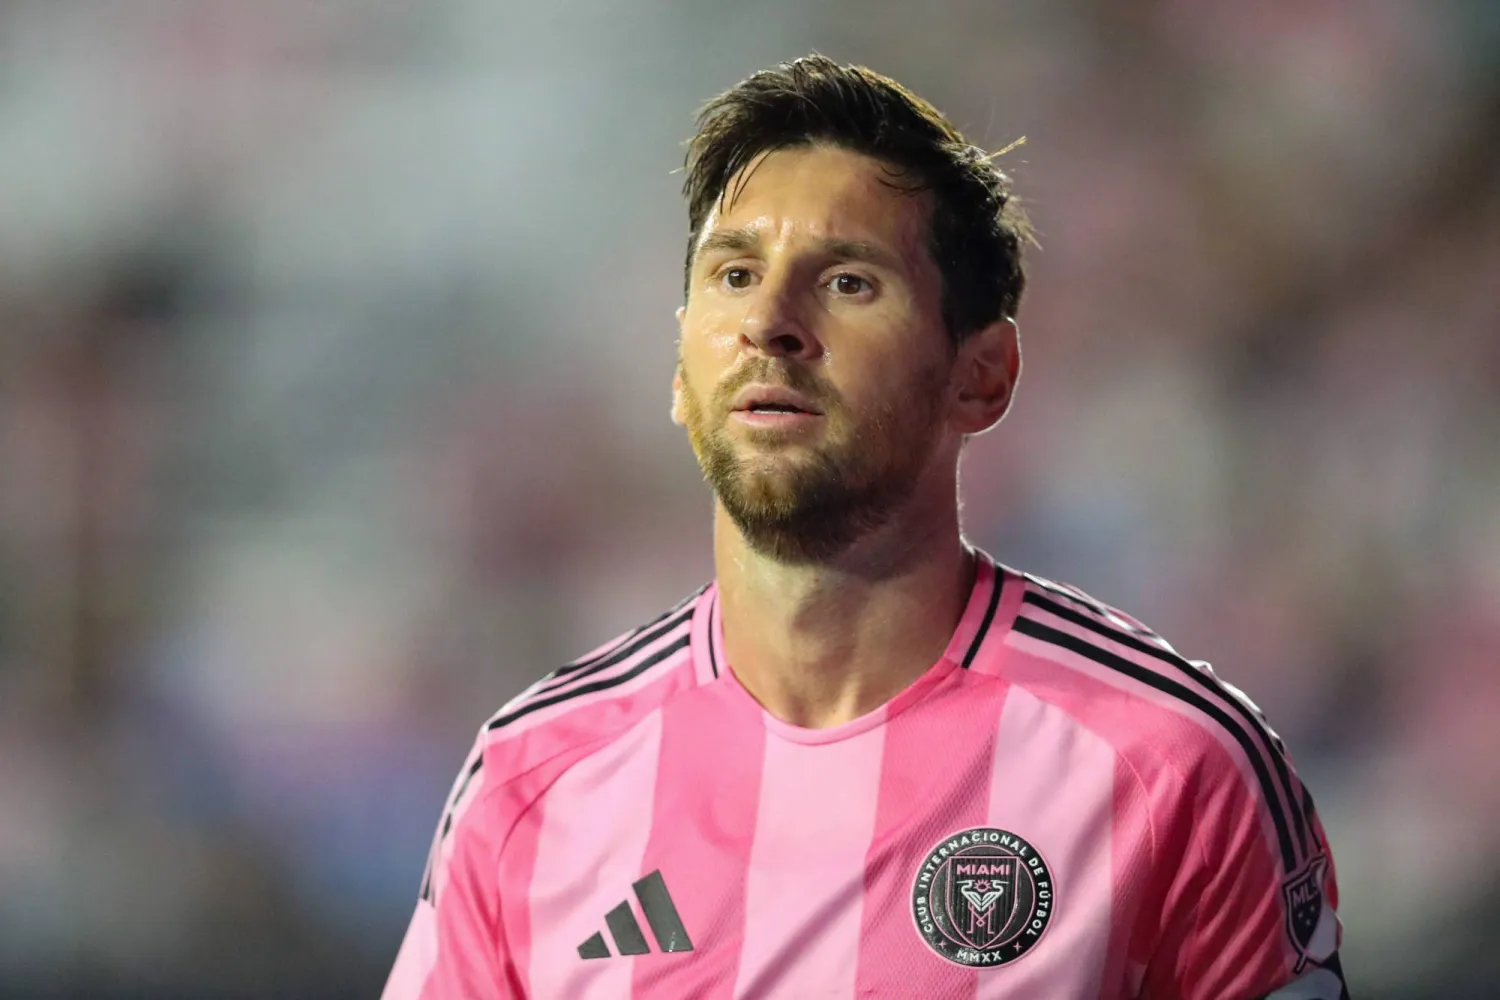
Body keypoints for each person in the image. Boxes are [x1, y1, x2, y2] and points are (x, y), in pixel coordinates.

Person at [381, 55, 1348, 1000]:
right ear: (679, 370)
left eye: (848, 282)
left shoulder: (1172, 768)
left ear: (982, 377)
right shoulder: (531, 780)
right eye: (734, 274)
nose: (770, 321)